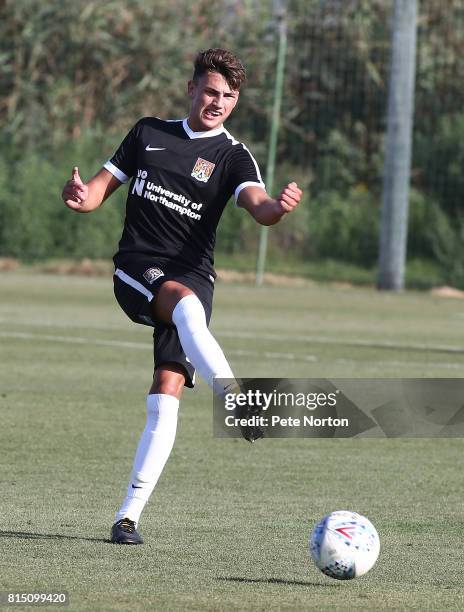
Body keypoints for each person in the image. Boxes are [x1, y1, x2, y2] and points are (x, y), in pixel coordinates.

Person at [61, 48, 302, 545]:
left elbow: (257, 206)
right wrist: (79, 195)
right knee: (185, 306)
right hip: (137, 268)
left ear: (236, 102)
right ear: (191, 88)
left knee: (165, 397)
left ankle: (127, 517)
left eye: (229, 97)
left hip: (195, 275)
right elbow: (95, 195)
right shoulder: (149, 132)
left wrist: (277, 208)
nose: (218, 103)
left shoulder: (233, 156)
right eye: (211, 91)